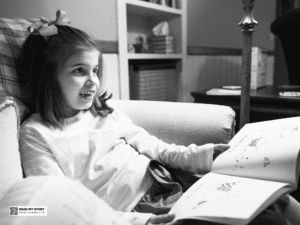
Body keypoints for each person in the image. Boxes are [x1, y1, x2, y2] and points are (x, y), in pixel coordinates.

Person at [17, 10, 299, 225]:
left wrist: (205, 155)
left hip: (170, 179)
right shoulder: (36, 133)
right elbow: (62, 203)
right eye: (80, 71)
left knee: (271, 199)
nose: (93, 81)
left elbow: (157, 148)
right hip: (136, 212)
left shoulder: (104, 113)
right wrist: (141, 221)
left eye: (95, 70)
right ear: (46, 76)